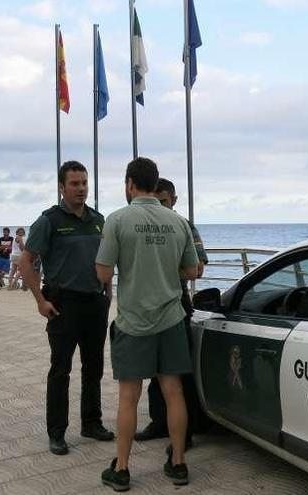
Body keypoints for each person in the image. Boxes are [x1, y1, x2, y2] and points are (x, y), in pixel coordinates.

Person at [96, 157, 200, 490]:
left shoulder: (117, 220)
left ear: (129, 183)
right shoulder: (177, 222)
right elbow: (192, 270)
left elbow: (102, 272)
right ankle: (179, 462)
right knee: (174, 392)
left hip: (134, 321)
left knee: (129, 396)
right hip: (171, 319)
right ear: (155, 185)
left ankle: (123, 469)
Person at [19, 160, 115, 458]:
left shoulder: (99, 220)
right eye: (74, 184)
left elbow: (106, 259)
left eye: (84, 183)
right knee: (61, 369)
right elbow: (26, 261)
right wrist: (40, 301)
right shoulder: (49, 220)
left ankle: (91, 423)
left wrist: (108, 292)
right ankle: (57, 433)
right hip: (62, 303)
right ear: (62, 187)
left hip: (94, 302)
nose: (81, 189)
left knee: (94, 367)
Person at [135, 178, 209, 445]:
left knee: (180, 371)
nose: (160, 207)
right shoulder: (142, 226)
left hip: (177, 302)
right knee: (154, 370)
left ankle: (185, 434)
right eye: (155, 201)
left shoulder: (184, 226)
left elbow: (198, 267)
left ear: (174, 201)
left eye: (164, 201)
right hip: (146, 306)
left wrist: (161, 270)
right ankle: (159, 422)